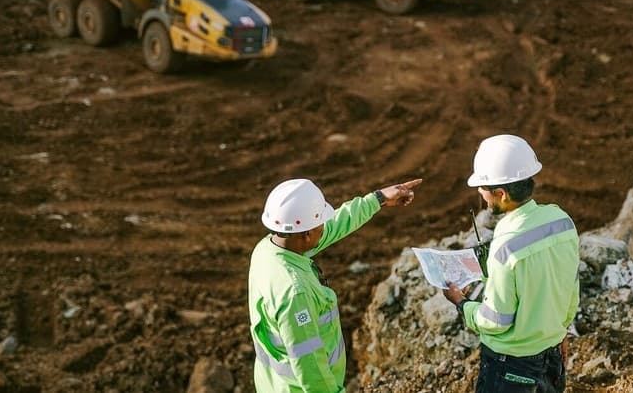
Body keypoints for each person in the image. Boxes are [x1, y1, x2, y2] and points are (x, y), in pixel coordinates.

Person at [248, 177, 421, 393]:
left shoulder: (268, 249)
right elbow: (310, 367)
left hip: (272, 385)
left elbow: (335, 225)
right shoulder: (295, 293)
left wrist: (379, 199)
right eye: (319, 224)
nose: (324, 227)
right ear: (307, 234)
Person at [443, 134, 579, 393]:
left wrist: (462, 304)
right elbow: (570, 288)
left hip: (512, 368)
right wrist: (559, 333)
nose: (482, 197)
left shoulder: (505, 247)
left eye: (482, 191)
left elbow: (496, 321)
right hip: (552, 356)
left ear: (501, 194)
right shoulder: (562, 221)